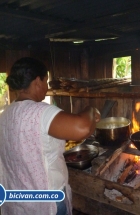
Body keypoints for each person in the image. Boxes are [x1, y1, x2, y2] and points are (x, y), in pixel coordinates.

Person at [0, 57, 101, 215]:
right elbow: (84, 128)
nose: (46, 88)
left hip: (17, 201)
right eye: (46, 81)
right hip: (46, 203)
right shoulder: (39, 111)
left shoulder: (5, 114)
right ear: (38, 81)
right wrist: (91, 109)